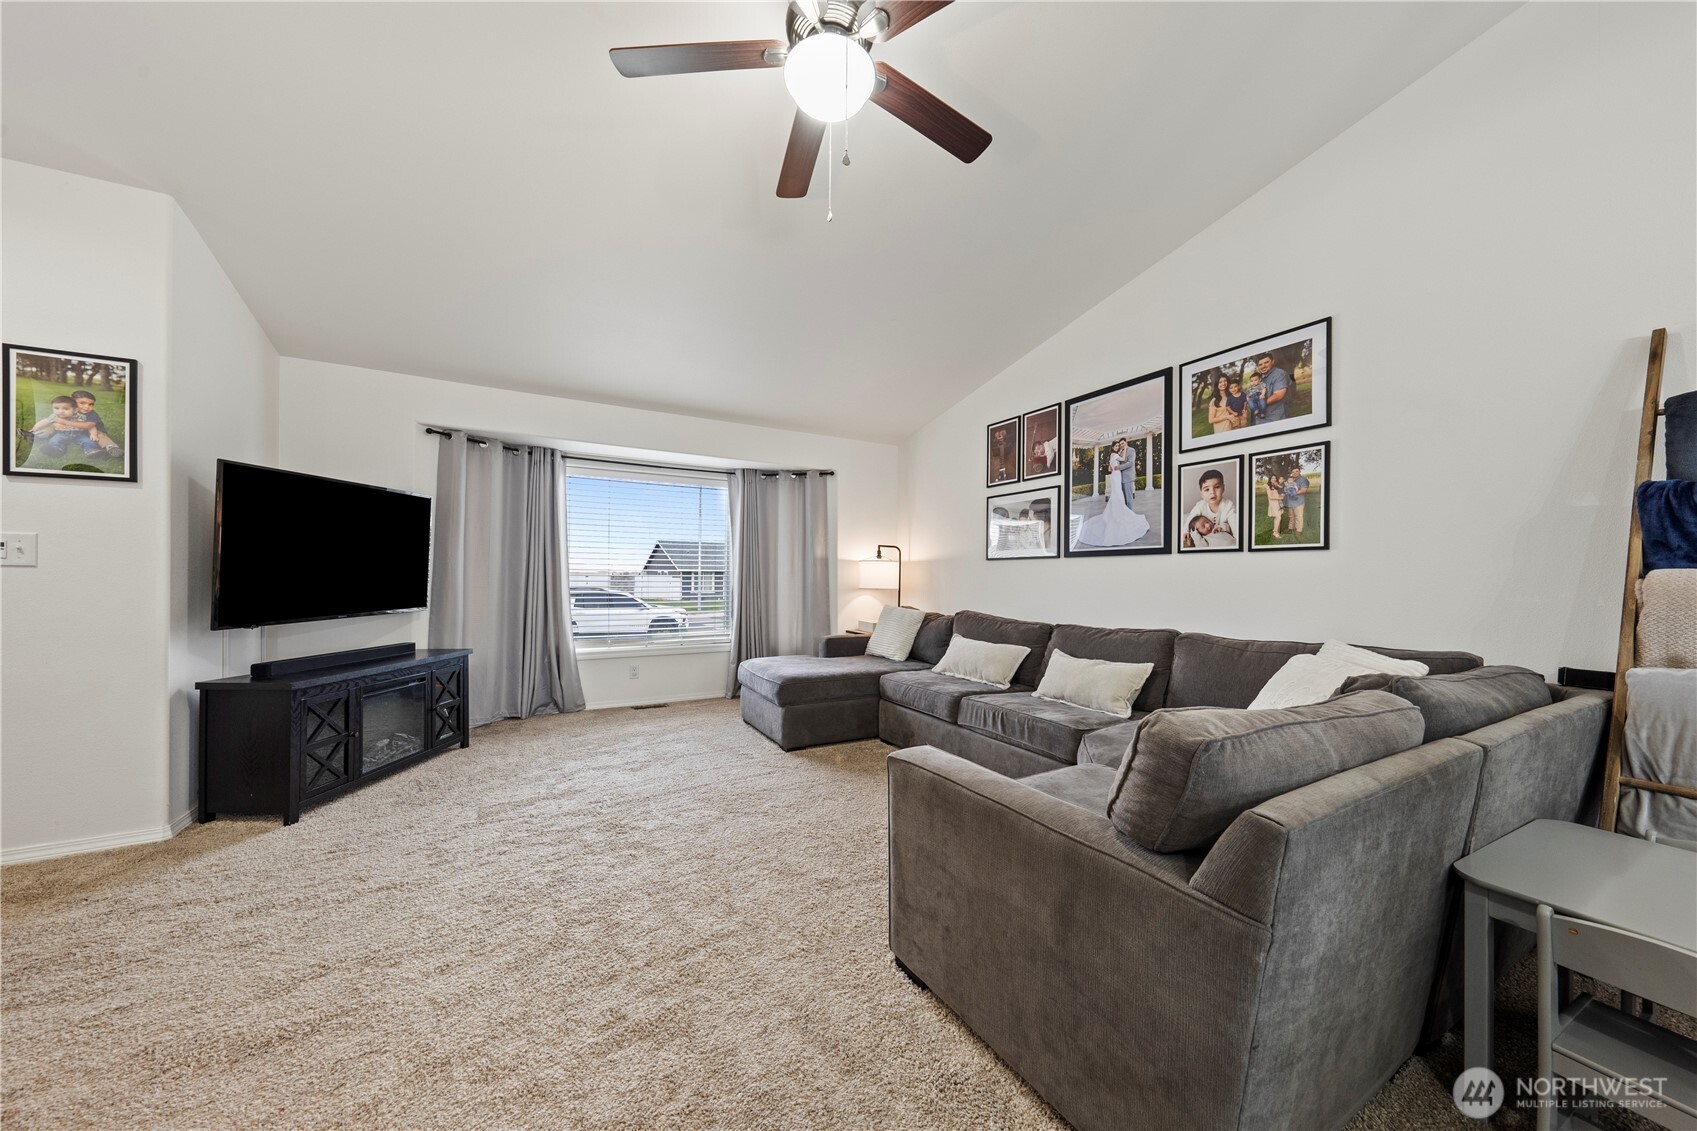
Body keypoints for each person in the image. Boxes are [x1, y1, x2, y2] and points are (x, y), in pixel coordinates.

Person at [1075, 442, 1150, 547]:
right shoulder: (1115, 455)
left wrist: (1116, 464)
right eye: (1116, 446)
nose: (1118, 447)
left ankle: (1117, 510)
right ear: (1112, 447)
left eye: (1118, 446)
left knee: (1117, 493)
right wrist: (1124, 450)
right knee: (1118, 494)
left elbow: (1110, 469)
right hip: (1117, 475)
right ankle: (1118, 512)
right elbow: (1123, 459)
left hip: (1114, 475)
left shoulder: (1111, 456)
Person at [28, 396, 104, 459]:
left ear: (75, 410)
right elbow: (45, 421)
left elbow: (90, 426)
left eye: (65, 409)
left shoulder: (81, 417)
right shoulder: (55, 416)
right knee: (55, 440)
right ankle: (56, 450)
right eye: (56, 408)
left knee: (89, 441)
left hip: (79, 435)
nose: (60, 411)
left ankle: (92, 451)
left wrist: (93, 434)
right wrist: (35, 427)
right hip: (62, 434)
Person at [1182, 468, 1237, 549]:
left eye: (1217, 487)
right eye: (1207, 489)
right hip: (1208, 541)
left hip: (1223, 538)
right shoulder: (1200, 506)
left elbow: (1235, 525)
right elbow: (1190, 519)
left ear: (1223, 488)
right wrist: (1185, 532)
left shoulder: (1228, 505)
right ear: (1201, 493)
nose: (1212, 492)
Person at [68, 390, 122, 455]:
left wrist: (65, 422)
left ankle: (111, 447)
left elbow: (89, 425)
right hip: (79, 432)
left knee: (99, 436)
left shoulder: (92, 414)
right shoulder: (69, 411)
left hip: (95, 431)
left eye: (90, 404)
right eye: (82, 403)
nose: (87, 406)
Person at [1255, 354, 1294, 422]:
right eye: (1260, 364)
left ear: (1273, 362)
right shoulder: (1261, 378)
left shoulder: (1280, 374)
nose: (1263, 366)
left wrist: (1260, 405)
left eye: (1266, 362)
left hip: (1275, 418)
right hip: (1261, 419)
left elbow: (1278, 395)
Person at [1283, 466, 1309, 536]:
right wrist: (1285, 489)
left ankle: (1299, 530)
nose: (1294, 473)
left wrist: (1294, 493)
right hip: (1290, 502)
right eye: (1293, 472)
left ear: (1300, 472)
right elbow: (1285, 487)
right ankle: (1291, 528)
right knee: (1291, 516)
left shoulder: (1303, 479)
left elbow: (1304, 490)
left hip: (1298, 501)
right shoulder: (1291, 479)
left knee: (1298, 516)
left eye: (1296, 471)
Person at [1265, 473, 1285, 540]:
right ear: (1270, 479)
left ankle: (1275, 530)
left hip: (1278, 503)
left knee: (1278, 517)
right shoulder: (1268, 486)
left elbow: (1278, 494)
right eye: (1272, 478)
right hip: (1273, 504)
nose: (1274, 479)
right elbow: (1270, 497)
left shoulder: (1276, 485)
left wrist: (1281, 496)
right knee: (1278, 517)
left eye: (1275, 478)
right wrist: (1279, 498)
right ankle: (1275, 532)